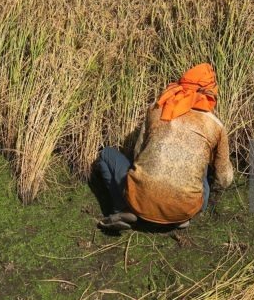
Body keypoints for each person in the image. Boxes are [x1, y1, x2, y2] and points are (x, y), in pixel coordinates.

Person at [96, 63, 234, 231]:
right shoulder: (216, 126)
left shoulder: (157, 108)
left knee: (106, 155)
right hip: (185, 209)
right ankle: (181, 218)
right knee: (203, 167)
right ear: (210, 91)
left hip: (140, 199)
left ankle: (123, 207)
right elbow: (224, 180)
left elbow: (139, 154)